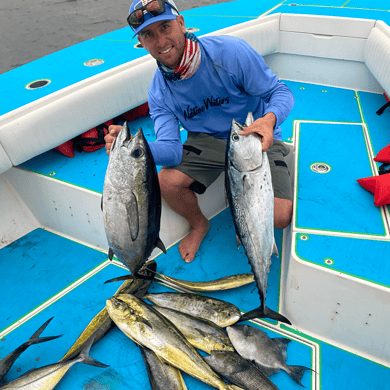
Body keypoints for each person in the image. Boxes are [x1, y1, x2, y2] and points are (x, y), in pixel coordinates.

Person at [105, 0, 294, 263]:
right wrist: (131, 149)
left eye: (165, 27)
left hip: (251, 134)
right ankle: (198, 224)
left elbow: (279, 92)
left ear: (181, 23)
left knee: (281, 217)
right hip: (206, 142)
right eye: (149, 35)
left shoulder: (231, 53)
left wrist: (269, 120)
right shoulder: (159, 92)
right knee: (166, 182)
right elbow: (171, 150)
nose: (160, 41)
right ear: (142, 43)